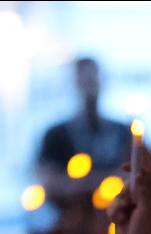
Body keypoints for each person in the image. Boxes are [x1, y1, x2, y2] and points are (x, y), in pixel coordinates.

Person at [37, 57, 132, 206]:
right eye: (84, 78)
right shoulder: (56, 135)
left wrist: (83, 182)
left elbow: (132, 175)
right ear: (73, 83)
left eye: (94, 77)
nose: (90, 85)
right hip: (71, 220)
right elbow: (49, 183)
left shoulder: (122, 132)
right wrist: (106, 180)